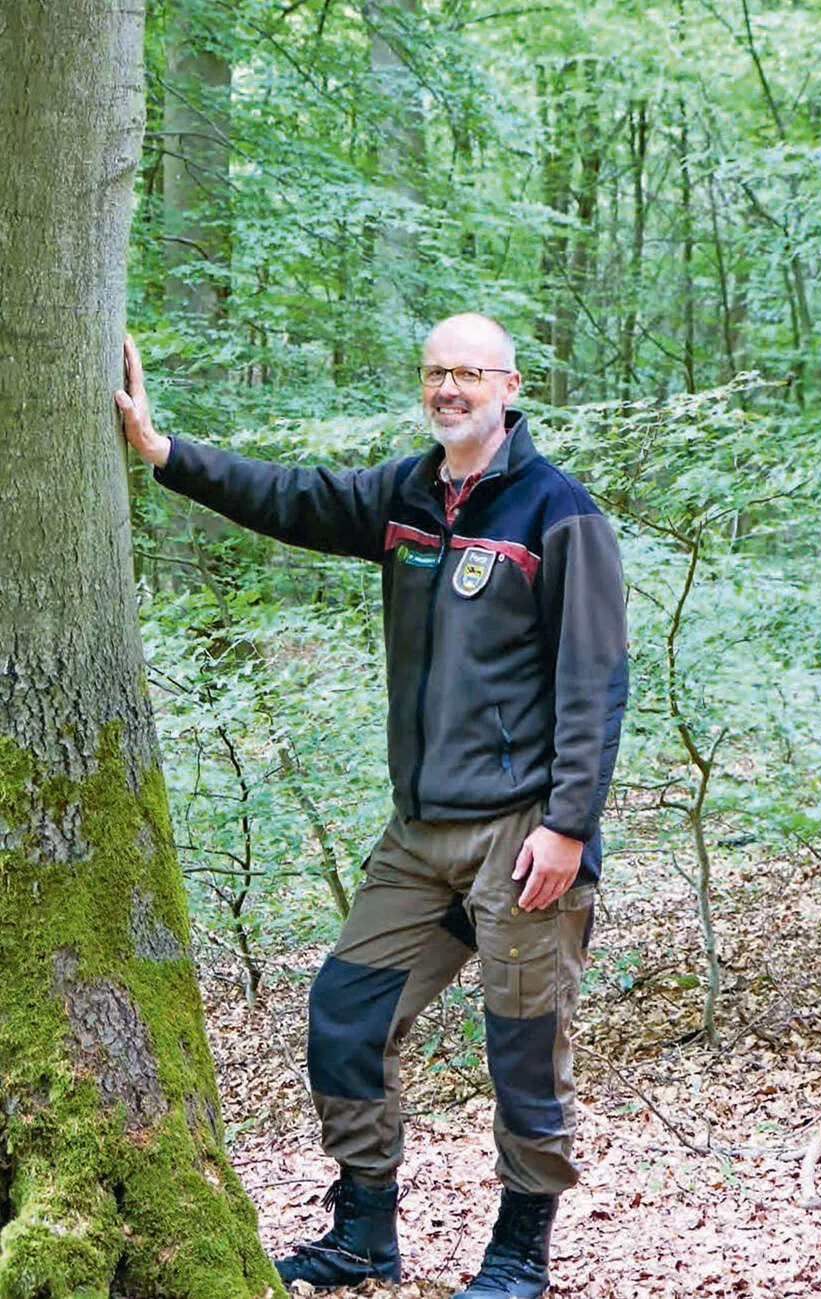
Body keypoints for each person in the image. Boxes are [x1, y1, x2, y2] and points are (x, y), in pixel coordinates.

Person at [116, 313, 628, 1298]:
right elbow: (293, 498)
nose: (449, 389)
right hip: (418, 837)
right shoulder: (404, 495)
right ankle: (361, 1236)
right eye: (436, 373)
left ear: (509, 386)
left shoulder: (559, 514)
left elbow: (594, 683)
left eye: (469, 374)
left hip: (523, 835)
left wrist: (567, 825)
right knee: (344, 1016)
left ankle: (520, 1253)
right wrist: (162, 451)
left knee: (522, 1051)